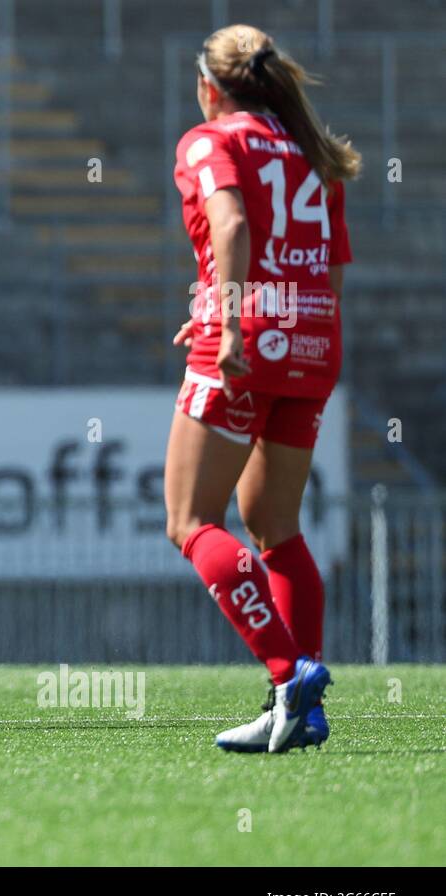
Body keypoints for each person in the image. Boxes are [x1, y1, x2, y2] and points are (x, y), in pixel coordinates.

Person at [166, 26, 360, 753]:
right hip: (313, 343)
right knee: (274, 525)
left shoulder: (210, 140)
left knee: (190, 521)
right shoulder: (316, 152)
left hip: (245, 344)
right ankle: (301, 713)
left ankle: (289, 674)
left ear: (210, 85)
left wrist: (235, 327)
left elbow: (233, 222)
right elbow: (331, 267)